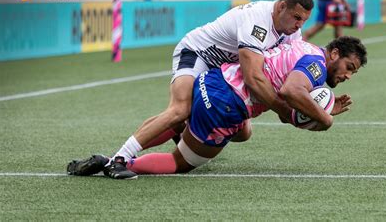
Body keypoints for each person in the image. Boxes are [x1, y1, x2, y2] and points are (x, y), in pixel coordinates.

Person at [67, 0, 314, 179]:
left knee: (243, 132)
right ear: (281, 6)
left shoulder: (290, 30)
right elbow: (253, 78)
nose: (298, 25)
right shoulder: (257, 21)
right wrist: (284, 109)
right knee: (179, 110)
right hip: (196, 54)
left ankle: (165, 138)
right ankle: (119, 158)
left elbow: (288, 66)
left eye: (303, 21)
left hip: (220, 71)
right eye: (296, 17)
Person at [70, 36, 367, 178]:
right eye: (348, 67)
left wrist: (319, 111)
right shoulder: (316, 66)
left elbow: (286, 110)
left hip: (212, 80)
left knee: (242, 132)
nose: (347, 76)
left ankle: (139, 146)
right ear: (334, 53)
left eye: (353, 73)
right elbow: (291, 92)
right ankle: (117, 162)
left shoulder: (303, 46)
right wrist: (325, 120)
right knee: (181, 163)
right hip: (225, 105)